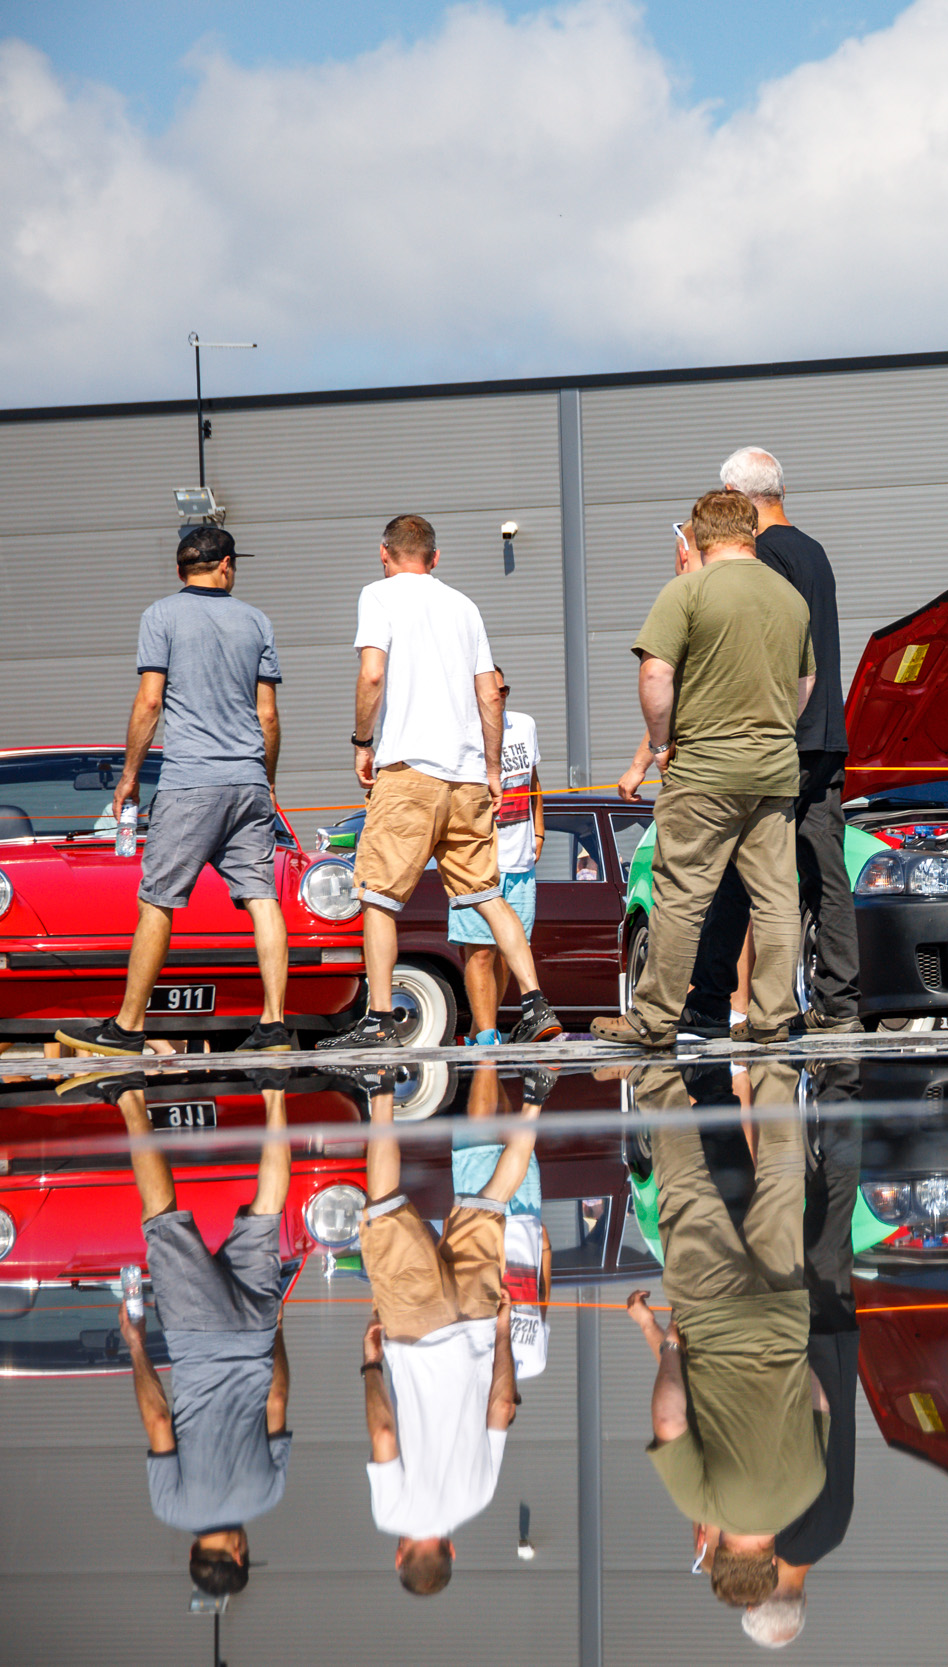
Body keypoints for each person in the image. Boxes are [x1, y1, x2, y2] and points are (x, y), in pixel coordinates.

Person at [322, 515, 560, 1050]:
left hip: (409, 769)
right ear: (435, 557)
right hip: (468, 777)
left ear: (384, 553)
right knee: (487, 893)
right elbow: (489, 695)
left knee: (378, 896)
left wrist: (363, 742)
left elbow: (373, 674)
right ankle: (535, 1003)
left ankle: (379, 1021)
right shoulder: (464, 606)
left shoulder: (379, 595)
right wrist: (493, 770)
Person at [57, 525, 293, 1057]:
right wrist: (267, 778)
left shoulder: (161, 615)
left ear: (181, 568)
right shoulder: (256, 621)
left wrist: (129, 775)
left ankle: (128, 1026)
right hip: (248, 781)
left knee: (158, 900)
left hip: (191, 782)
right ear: (226, 565)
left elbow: (149, 702)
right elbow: (268, 715)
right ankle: (274, 1023)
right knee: (262, 897)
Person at [592, 492, 814, 1050]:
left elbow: (655, 675)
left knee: (681, 895)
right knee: (776, 898)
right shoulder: (789, 598)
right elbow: (805, 683)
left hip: (704, 772)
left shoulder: (688, 591)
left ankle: (654, 1019)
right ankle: (772, 1017)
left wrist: (660, 744)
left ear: (700, 535)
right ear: (751, 533)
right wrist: (773, 731)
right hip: (773, 772)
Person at [625, 1059, 830, 1614]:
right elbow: (670, 1421)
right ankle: (654, 1071)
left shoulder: (807, 1491)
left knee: (781, 1184)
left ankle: (777, 1060)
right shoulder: (706, 1505)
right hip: (712, 1320)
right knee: (687, 1191)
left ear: (770, 1561)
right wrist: (670, 1345)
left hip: (784, 1317)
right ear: (721, 1554)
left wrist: (785, 1350)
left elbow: (819, 1400)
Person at [681, 447, 860, 1039]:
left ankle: (712, 1000)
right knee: (826, 874)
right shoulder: (814, 551)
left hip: (781, 732)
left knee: (737, 864)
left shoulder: (764, 556)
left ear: (737, 497)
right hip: (827, 733)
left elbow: (755, 641)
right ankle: (839, 1002)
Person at [102, 1067, 294, 1597]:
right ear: (195, 1553)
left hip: (255, 1334)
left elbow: (276, 1399)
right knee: (162, 1219)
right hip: (196, 1336)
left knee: (266, 1213)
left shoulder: (268, 1496)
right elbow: (158, 1419)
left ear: (240, 1552)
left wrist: (275, 1330)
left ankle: (276, 1091)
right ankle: (129, 1094)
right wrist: (136, 1346)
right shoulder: (173, 1508)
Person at [358, 1062, 541, 1595]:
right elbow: (384, 1433)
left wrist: (503, 1330)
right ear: (402, 1555)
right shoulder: (394, 1514)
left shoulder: (478, 1498)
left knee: (491, 1202)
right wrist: (371, 1366)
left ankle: (535, 1098)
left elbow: (501, 1406)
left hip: (478, 1327)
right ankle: (381, 1083)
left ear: (452, 1551)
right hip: (416, 1335)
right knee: (383, 1209)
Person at [743, 1060, 862, 1648]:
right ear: (763, 1592)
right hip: (805, 1346)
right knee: (799, 1211)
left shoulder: (832, 1535)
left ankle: (833, 1087)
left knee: (830, 1215)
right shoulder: (782, 1531)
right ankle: (835, 1080)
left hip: (838, 1346)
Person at [456, 669, 542, 1044]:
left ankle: (480, 1031)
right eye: (492, 691)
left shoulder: (524, 725)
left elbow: (533, 781)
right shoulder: (461, 732)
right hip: (477, 861)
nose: (498, 697)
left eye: (503, 690)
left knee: (510, 954)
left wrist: (539, 831)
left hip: (520, 860)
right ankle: (487, 1037)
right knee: (480, 954)